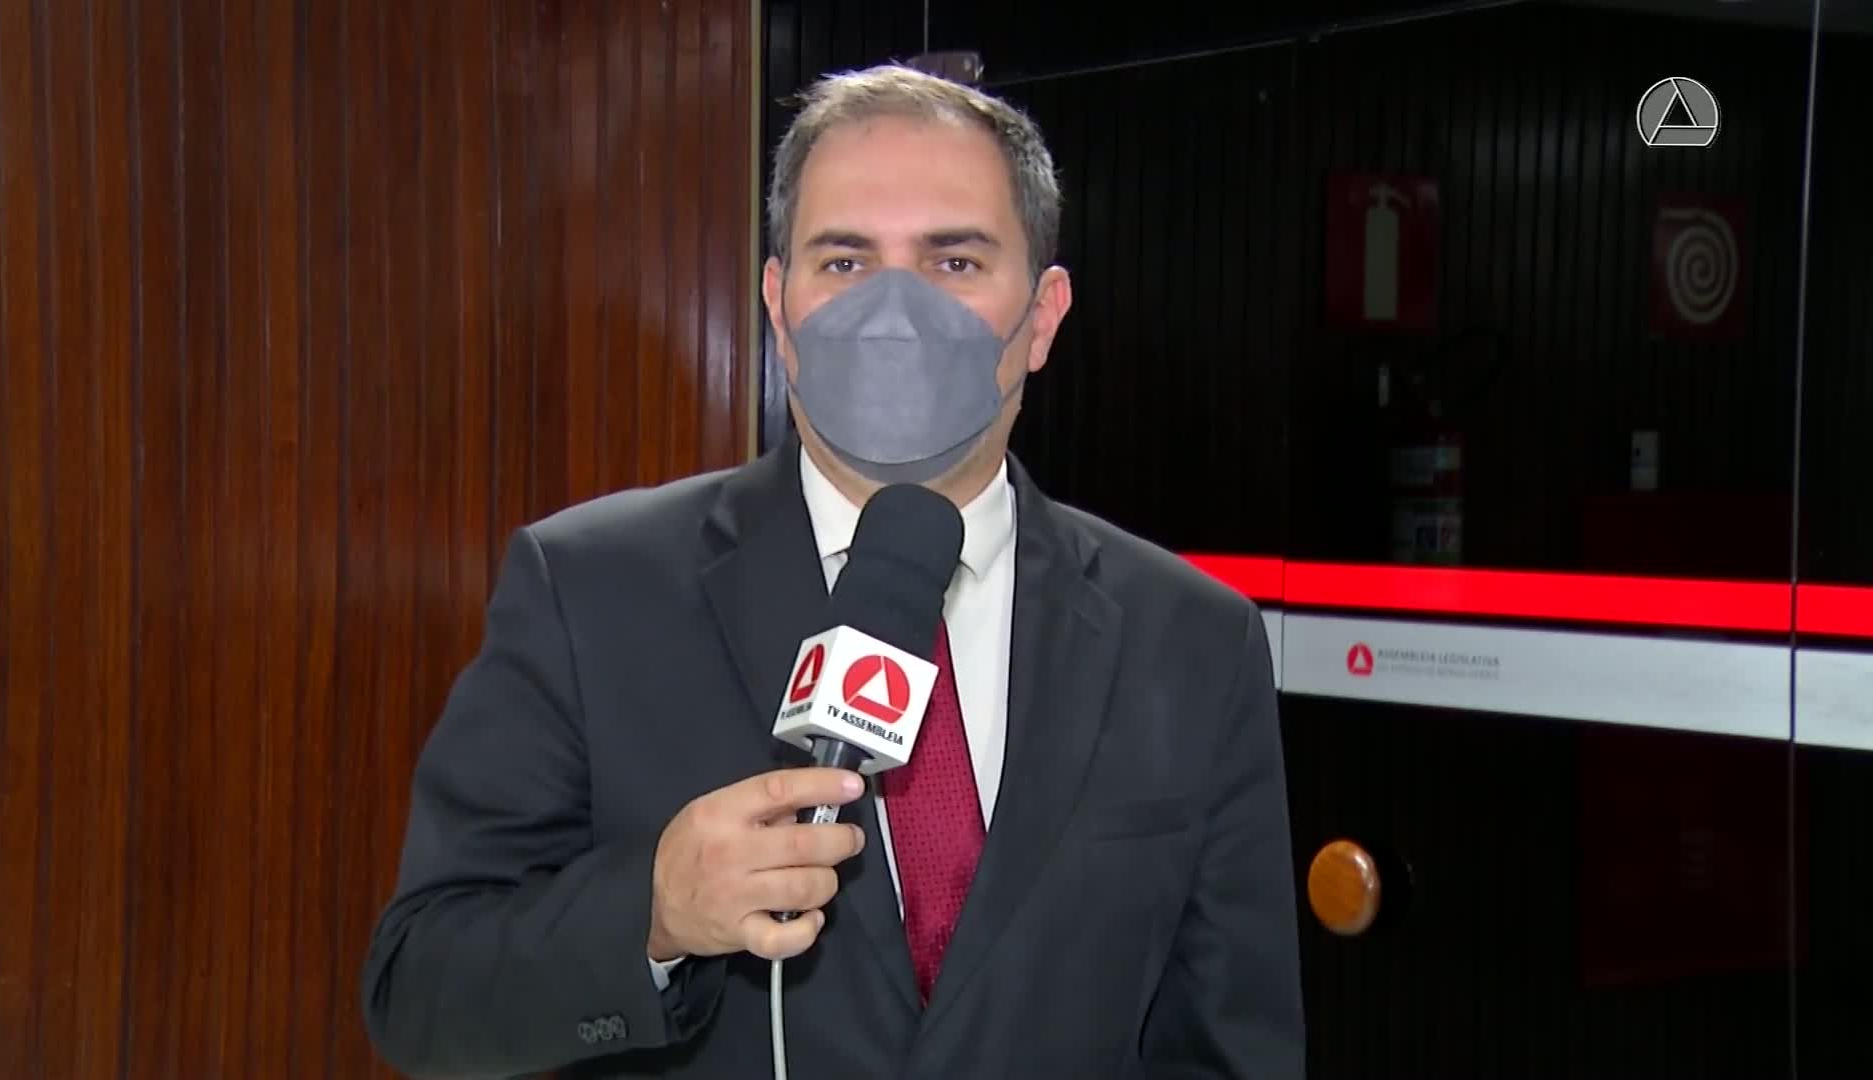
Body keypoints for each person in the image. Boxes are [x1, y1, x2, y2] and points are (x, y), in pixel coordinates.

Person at [360, 63, 1303, 1079]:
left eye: (953, 260)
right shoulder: (590, 590)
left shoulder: (1191, 638)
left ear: (1042, 316)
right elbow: (422, 992)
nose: (895, 313)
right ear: (779, 307)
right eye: (846, 261)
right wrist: (656, 915)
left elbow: (1231, 1044)